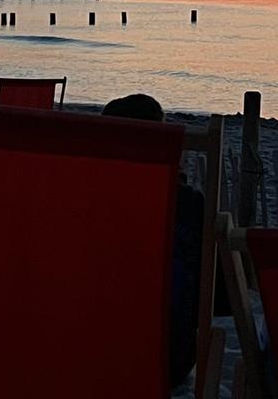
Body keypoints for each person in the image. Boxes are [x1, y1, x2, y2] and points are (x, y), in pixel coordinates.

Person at [103, 93, 204, 390]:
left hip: (84, 348)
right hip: (167, 362)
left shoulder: (86, 201)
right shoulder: (189, 206)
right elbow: (214, 301)